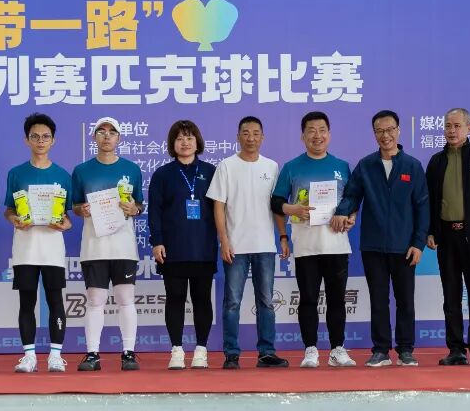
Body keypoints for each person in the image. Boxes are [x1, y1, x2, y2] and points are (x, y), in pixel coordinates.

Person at [333, 110, 429, 368]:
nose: (385, 135)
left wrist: (418, 243)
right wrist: (343, 212)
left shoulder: (412, 166)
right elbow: (352, 195)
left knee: (405, 300)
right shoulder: (366, 165)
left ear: (398, 131)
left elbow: (423, 207)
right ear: (374, 134)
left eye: (389, 130)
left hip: (404, 246)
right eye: (379, 131)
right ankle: (381, 350)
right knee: (378, 299)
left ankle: (406, 350)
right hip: (373, 246)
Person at [271, 111, 357, 368]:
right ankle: (310, 349)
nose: (317, 136)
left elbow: (352, 200)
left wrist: (351, 217)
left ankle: (337, 349)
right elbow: (276, 202)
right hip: (306, 245)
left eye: (322, 130)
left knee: (336, 299)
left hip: (336, 244)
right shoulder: (292, 167)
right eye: (311, 131)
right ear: (303, 136)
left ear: (329, 134)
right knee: (308, 298)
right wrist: (293, 209)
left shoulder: (342, 166)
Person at [206, 116, 288, 369]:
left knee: (266, 302)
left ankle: (267, 352)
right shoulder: (226, 166)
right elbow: (218, 206)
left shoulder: (272, 167)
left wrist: (282, 236)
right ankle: (231, 354)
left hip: (265, 246)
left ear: (262, 137)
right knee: (232, 303)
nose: (250, 138)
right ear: (238, 136)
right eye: (245, 133)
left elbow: (277, 206)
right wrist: (224, 240)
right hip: (236, 246)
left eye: (255, 133)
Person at [71, 117, 144, 372]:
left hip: (123, 245)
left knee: (126, 299)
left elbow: (139, 204)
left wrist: (134, 209)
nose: (106, 136)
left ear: (119, 138)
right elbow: (75, 206)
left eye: (112, 132)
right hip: (94, 246)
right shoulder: (81, 171)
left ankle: (128, 353)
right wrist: (82, 209)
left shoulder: (132, 169)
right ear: (94, 137)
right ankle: (92, 354)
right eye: (101, 131)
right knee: (95, 300)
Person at [426, 108, 470, 366]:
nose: (452, 130)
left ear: (469, 127)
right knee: (451, 295)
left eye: (457, 125)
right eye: (448, 126)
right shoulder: (436, 161)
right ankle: (455, 349)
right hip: (446, 237)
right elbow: (429, 200)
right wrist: (430, 230)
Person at [4, 112, 73, 373]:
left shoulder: (62, 175)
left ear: (53, 140)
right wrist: (14, 219)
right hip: (25, 247)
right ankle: (29, 356)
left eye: (45, 136)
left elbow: (67, 217)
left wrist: (65, 225)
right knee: (27, 301)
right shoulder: (16, 173)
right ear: (27, 140)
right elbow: (9, 210)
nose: (40, 141)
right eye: (35, 136)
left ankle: (55, 355)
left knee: (55, 299)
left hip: (52, 248)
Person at [149, 120, 218, 370]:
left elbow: (221, 210)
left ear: (197, 142)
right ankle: (176, 350)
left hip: (203, 247)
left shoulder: (211, 172)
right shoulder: (162, 174)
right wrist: (157, 241)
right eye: (179, 138)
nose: (185, 143)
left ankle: (201, 350)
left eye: (189, 138)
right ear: (172, 144)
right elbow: (154, 211)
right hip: (173, 248)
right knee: (175, 298)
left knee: (202, 299)